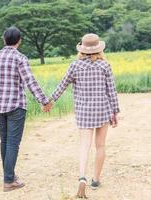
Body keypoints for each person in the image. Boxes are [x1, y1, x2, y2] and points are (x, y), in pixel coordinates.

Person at [50, 33, 120, 198]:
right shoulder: (105, 65)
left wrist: (50, 100)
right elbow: (112, 91)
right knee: (100, 146)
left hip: (83, 112)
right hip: (102, 110)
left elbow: (62, 85)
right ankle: (95, 180)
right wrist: (115, 111)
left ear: (82, 49)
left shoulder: (75, 66)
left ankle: (82, 178)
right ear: (99, 49)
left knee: (84, 146)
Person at [0, 26, 52, 192]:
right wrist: (44, 101)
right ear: (19, 41)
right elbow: (30, 81)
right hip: (16, 106)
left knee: (5, 141)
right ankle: (8, 181)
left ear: (4, 39)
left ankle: (10, 176)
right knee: (13, 143)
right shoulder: (20, 58)